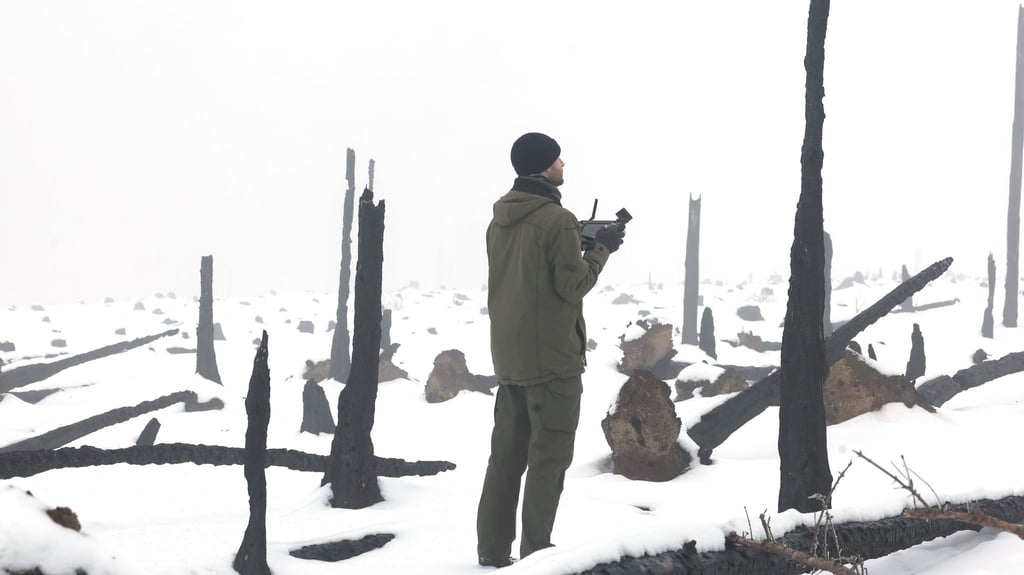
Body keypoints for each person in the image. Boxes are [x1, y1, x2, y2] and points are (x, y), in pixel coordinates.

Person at [476, 132, 625, 568]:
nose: (564, 166)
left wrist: (575, 242)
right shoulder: (556, 220)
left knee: (505, 459)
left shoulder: (498, 221)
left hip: (510, 359)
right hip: (554, 362)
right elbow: (572, 284)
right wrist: (601, 249)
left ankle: (491, 553)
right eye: (559, 160)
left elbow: (528, 274)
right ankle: (537, 558)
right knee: (549, 459)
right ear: (544, 166)